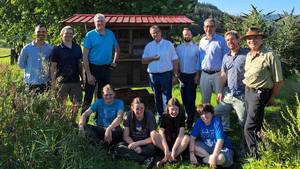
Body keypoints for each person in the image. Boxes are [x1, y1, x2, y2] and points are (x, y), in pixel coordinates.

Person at [241, 27, 283, 159]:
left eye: (255, 37)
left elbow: (278, 80)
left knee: (249, 126)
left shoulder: (270, 55)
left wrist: (272, 97)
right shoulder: (248, 55)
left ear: (261, 39)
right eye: (249, 38)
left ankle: (254, 156)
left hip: (259, 94)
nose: (252, 40)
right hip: (247, 91)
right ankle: (259, 148)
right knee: (256, 124)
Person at [81, 13, 120, 116]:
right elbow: (84, 56)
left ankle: (99, 120)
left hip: (106, 68)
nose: (100, 23)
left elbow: (117, 48)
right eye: (98, 21)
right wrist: (88, 74)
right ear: (94, 23)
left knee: (103, 96)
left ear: (105, 22)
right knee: (88, 96)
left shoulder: (110, 34)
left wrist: (114, 62)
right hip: (92, 68)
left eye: (102, 21)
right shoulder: (89, 35)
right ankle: (83, 122)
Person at [142, 25, 179, 121]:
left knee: (168, 96)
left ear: (160, 32)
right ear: (151, 35)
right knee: (157, 96)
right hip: (153, 76)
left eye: (157, 32)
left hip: (166, 74)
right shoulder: (149, 46)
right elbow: (143, 60)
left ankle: (169, 115)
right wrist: (153, 58)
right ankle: (160, 116)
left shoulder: (168, 44)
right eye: (153, 33)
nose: (155, 34)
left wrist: (175, 74)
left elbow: (175, 59)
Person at [214, 30, 248, 132]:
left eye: (232, 39)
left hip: (242, 95)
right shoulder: (226, 57)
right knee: (215, 112)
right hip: (229, 95)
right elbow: (223, 75)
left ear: (238, 39)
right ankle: (219, 135)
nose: (230, 41)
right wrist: (220, 91)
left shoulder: (246, 54)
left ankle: (245, 145)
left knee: (243, 122)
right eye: (227, 40)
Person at [111, 97, 157, 169]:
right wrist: (134, 145)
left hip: (145, 143)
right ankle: (145, 159)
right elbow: (126, 136)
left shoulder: (150, 115)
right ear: (132, 108)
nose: (139, 111)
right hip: (131, 142)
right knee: (118, 147)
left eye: (141, 108)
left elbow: (153, 137)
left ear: (144, 107)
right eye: (137, 109)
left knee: (152, 150)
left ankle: (134, 156)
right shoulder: (128, 115)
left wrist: (137, 144)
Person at [50, 26, 83, 122]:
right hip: (61, 82)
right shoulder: (56, 49)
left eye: (70, 33)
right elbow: (52, 68)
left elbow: (80, 65)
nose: (68, 35)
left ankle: (72, 122)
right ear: (61, 35)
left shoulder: (77, 48)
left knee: (77, 103)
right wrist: (53, 83)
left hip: (75, 81)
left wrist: (83, 79)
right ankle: (63, 122)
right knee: (60, 104)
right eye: (66, 33)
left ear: (73, 36)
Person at [189, 104, 233, 168]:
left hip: (223, 148)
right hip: (208, 147)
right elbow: (192, 138)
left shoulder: (216, 121)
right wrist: (191, 154)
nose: (204, 116)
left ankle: (203, 160)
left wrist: (214, 156)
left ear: (212, 113)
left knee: (220, 159)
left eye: (206, 113)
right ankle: (210, 158)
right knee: (192, 146)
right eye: (201, 114)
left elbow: (220, 140)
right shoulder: (199, 122)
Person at [152, 98, 190, 167]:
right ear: (168, 109)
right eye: (172, 109)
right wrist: (166, 148)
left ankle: (169, 157)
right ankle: (168, 155)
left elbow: (181, 135)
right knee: (153, 134)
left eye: (176, 109)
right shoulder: (164, 116)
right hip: (166, 142)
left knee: (187, 138)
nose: (174, 112)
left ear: (179, 109)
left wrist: (174, 150)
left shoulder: (181, 116)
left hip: (177, 143)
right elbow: (161, 132)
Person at [198, 18, 228, 104]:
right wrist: (198, 73)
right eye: (207, 26)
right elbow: (199, 58)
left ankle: (221, 117)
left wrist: (225, 74)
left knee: (221, 100)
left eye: (211, 26)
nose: (209, 29)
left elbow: (226, 58)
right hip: (204, 75)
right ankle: (207, 117)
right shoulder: (202, 41)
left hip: (218, 74)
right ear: (204, 28)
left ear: (215, 28)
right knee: (205, 100)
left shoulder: (221, 40)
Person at [176, 28, 200, 129]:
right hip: (182, 76)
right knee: (184, 98)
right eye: (185, 35)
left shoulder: (196, 48)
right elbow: (176, 61)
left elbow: (199, 62)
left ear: (191, 35)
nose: (187, 36)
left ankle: (190, 121)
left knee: (191, 99)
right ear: (183, 36)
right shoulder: (178, 48)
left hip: (192, 76)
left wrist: (197, 75)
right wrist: (176, 73)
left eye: (188, 34)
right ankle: (187, 117)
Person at [18, 24, 52, 93]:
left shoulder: (50, 48)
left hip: (45, 83)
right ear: (34, 33)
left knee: (46, 103)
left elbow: (52, 65)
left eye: (43, 32)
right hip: (30, 83)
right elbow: (21, 65)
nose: (41, 33)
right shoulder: (27, 48)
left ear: (46, 33)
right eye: (38, 31)